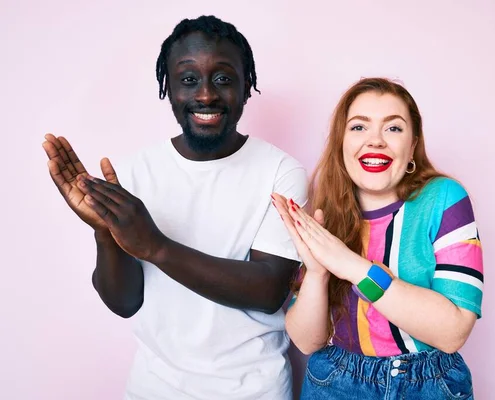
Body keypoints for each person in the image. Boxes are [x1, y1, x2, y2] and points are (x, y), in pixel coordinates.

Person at [42, 15, 307, 400]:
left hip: (254, 390)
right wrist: (106, 230)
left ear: (246, 87)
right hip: (154, 389)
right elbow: (124, 302)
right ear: (168, 89)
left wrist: (155, 246)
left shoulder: (282, 172)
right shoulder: (130, 173)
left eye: (222, 78)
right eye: (188, 80)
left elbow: (268, 289)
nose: (205, 95)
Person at [272, 77, 483, 399]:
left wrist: (353, 266)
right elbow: (307, 341)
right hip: (334, 384)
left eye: (393, 128)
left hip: (428, 386)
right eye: (358, 127)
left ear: (412, 145)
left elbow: (452, 332)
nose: (376, 141)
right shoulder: (326, 210)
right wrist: (317, 273)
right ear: (341, 142)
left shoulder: (444, 198)